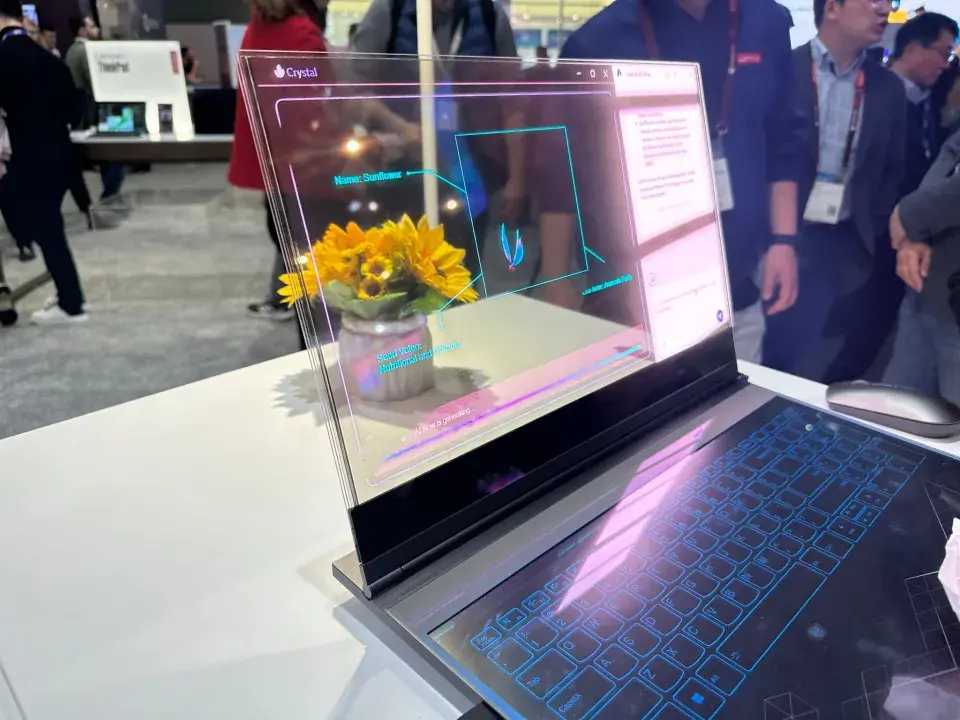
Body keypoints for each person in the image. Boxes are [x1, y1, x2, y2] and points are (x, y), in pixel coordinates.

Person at [554, 0, 803, 363]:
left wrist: (784, 240)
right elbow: (566, 174)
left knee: (735, 389)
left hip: (739, 281)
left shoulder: (765, 22)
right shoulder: (597, 42)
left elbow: (784, 139)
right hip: (639, 298)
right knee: (646, 395)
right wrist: (557, 276)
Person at [763, 0, 906, 381]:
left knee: (797, 351)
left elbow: (892, 167)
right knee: (750, 342)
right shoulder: (781, 69)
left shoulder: (887, 88)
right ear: (833, 8)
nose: (884, 10)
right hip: (771, 234)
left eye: (888, 2)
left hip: (834, 240)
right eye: (873, 1)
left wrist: (870, 222)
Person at [231, 0, 351, 324]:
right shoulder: (302, 32)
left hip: (277, 168)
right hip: (310, 173)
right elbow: (313, 107)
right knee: (327, 291)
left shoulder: (257, 29)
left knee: (303, 274)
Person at [0, 0, 88, 325]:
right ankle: (70, 297)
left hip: (26, 160)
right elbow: (74, 109)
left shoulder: (4, 58)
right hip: (61, 155)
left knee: (47, 231)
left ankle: (71, 304)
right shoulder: (49, 58)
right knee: (51, 229)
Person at [883, 126, 960, 403]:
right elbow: (952, 153)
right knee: (893, 411)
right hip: (928, 286)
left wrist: (910, 215)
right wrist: (916, 234)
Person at [890, 12, 958, 197]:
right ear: (913, 50)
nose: (946, 65)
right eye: (944, 54)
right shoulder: (875, 98)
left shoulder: (929, 103)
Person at [65, 14, 124, 202]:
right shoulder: (86, 51)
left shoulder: (72, 50)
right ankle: (110, 192)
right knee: (112, 152)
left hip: (83, 110)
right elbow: (96, 83)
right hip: (96, 109)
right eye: (91, 26)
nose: (96, 29)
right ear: (82, 30)